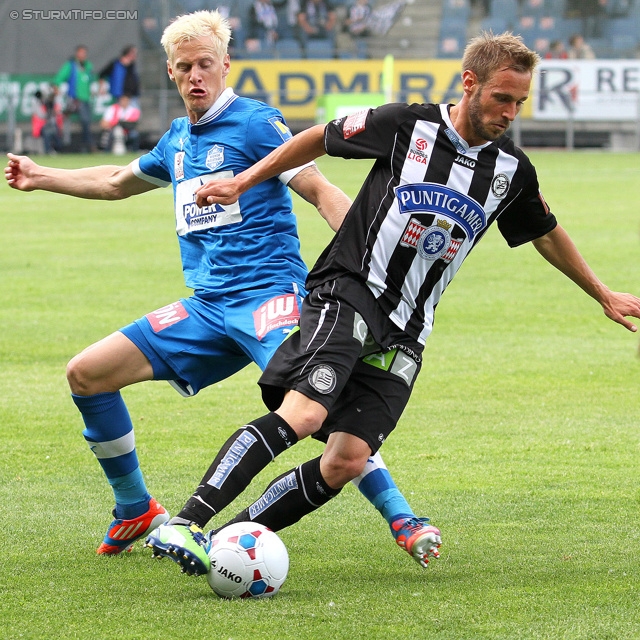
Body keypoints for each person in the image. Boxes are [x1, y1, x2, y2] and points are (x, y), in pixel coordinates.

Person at [145, 31, 640, 578]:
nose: (510, 112)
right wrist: (244, 181)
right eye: (502, 97)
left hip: (408, 329)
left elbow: (545, 232)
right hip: (350, 289)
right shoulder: (407, 124)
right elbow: (317, 138)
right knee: (305, 414)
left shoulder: (511, 171)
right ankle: (185, 521)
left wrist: (603, 293)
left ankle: (227, 541)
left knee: (346, 459)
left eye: (519, 102)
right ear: (469, 83)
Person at [4, 10, 431, 566]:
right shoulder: (178, 139)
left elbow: (319, 188)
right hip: (206, 309)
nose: (196, 75)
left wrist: (375, 271)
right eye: (185, 68)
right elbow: (114, 182)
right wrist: (41, 177)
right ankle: (135, 507)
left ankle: (401, 515)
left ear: (226, 64)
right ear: (172, 73)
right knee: (85, 374)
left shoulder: (256, 123)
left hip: (270, 299)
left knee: (317, 405)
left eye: (206, 64)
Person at [53, 45, 95, 153]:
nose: (82, 55)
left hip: (86, 99)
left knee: (87, 122)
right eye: (81, 53)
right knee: (65, 121)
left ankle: (86, 145)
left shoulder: (88, 66)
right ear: (77, 54)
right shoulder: (71, 65)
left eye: (84, 53)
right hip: (74, 99)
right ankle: (62, 145)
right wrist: (56, 87)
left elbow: (90, 81)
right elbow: (59, 78)